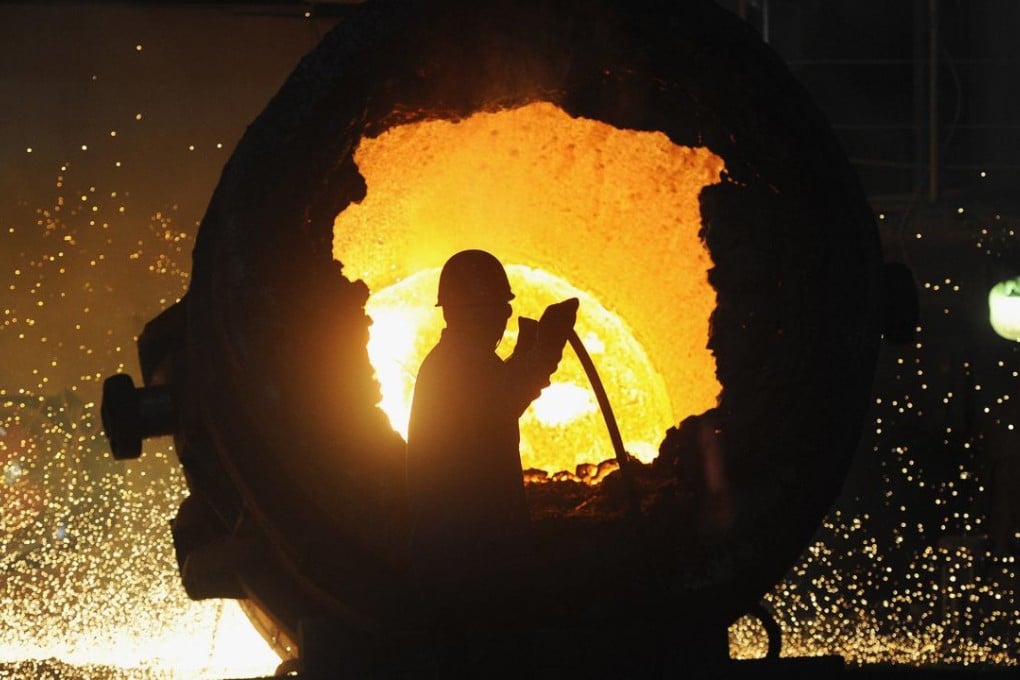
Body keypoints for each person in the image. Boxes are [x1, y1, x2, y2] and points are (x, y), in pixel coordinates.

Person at [405, 249, 577, 667]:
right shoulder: (456, 368)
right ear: (473, 312)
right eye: (498, 306)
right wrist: (546, 349)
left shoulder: (460, 363)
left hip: (466, 559)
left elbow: (501, 390)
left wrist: (536, 347)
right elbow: (502, 398)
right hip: (471, 563)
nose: (504, 315)